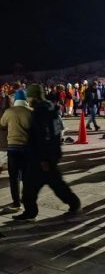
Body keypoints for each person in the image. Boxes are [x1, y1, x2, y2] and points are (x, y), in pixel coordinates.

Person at [13, 84, 81, 221]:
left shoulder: (40, 112)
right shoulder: (50, 109)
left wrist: (44, 158)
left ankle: (31, 212)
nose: (29, 100)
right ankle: (74, 203)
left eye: (30, 96)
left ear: (34, 97)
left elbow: (44, 135)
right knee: (56, 183)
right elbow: (56, 133)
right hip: (50, 155)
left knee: (30, 188)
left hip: (41, 157)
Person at [0, 91, 32, 210]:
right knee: (26, 176)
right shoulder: (31, 111)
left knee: (14, 177)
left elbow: (2, 123)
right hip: (27, 148)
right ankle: (26, 199)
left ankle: (16, 203)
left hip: (13, 148)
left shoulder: (10, 111)